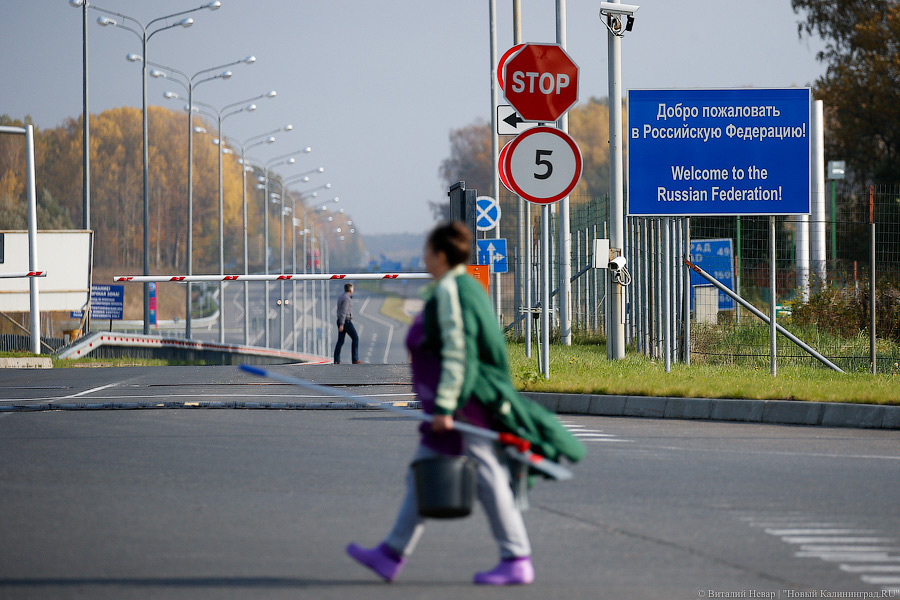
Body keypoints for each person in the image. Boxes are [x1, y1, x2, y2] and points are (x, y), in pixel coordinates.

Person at [345, 221, 584, 586]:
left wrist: (444, 406)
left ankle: (517, 557)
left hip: (463, 405)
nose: (424, 257)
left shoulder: (453, 292)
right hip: (455, 403)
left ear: (440, 255)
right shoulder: (456, 288)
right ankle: (391, 554)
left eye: (427, 251)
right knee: (422, 475)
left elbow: (460, 353)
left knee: (487, 477)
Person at [333, 283, 360, 364]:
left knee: (340, 341)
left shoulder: (341, 296)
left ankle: (337, 360)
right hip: (346, 321)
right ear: (351, 290)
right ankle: (355, 359)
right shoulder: (347, 298)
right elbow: (343, 311)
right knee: (355, 338)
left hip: (341, 320)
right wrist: (342, 324)